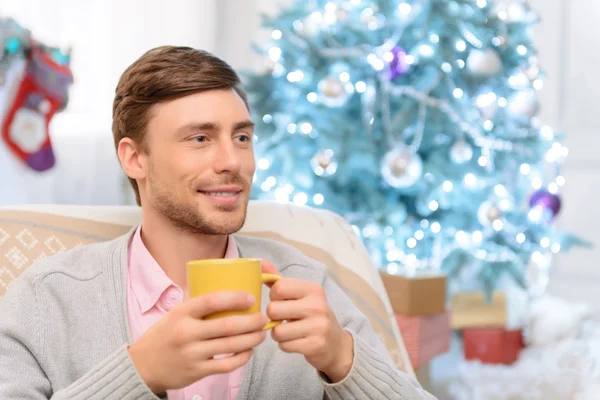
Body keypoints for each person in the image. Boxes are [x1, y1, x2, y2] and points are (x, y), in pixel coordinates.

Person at [0, 46, 436, 400]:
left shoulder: (304, 283)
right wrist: (140, 373)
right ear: (135, 158)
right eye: (200, 138)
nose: (233, 162)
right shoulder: (48, 298)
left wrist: (344, 360)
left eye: (242, 137)